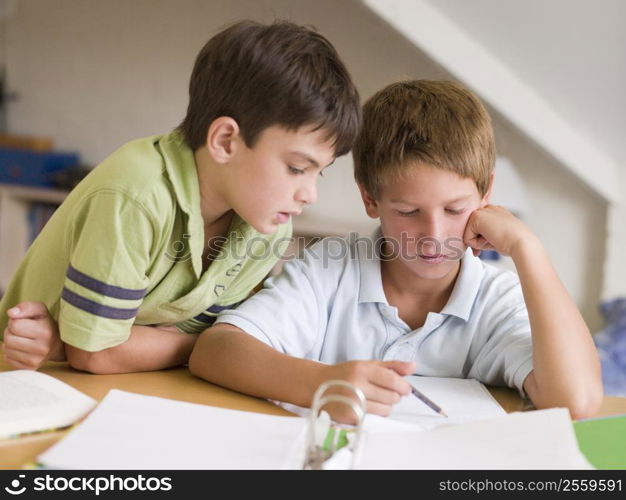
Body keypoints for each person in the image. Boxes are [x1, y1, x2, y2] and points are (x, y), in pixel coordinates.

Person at [188, 80, 602, 421]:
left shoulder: (495, 300)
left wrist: (528, 250)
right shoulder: (330, 271)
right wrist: (320, 383)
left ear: (486, 195)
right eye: (408, 211)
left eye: (455, 209)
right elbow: (215, 351)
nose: (433, 235)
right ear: (370, 199)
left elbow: (576, 402)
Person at [0, 20, 361, 374]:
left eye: (320, 172)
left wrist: (203, 344)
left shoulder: (267, 228)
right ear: (225, 141)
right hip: (27, 378)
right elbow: (95, 355)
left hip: (136, 385)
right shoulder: (137, 194)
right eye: (297, 168)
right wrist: (214, 347)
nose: (309, 194)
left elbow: (170, 338)